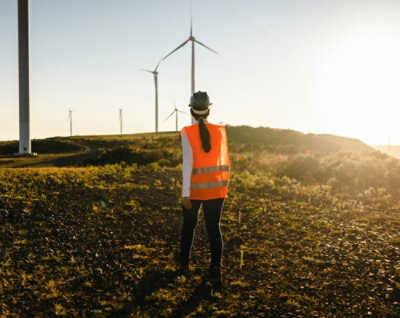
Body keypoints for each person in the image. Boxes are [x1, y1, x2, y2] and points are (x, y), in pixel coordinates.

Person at [174, 91, 230, 282]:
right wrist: (222, 187)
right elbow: (222, 159)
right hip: (216, 188)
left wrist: (186, 194)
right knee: (214, 228)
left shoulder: (187, 133)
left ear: (191, 110)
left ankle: (184, 263)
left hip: (195, 190)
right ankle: (215, 266)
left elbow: (188, 164)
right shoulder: (221, 131)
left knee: (189, 226)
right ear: (209, 110)